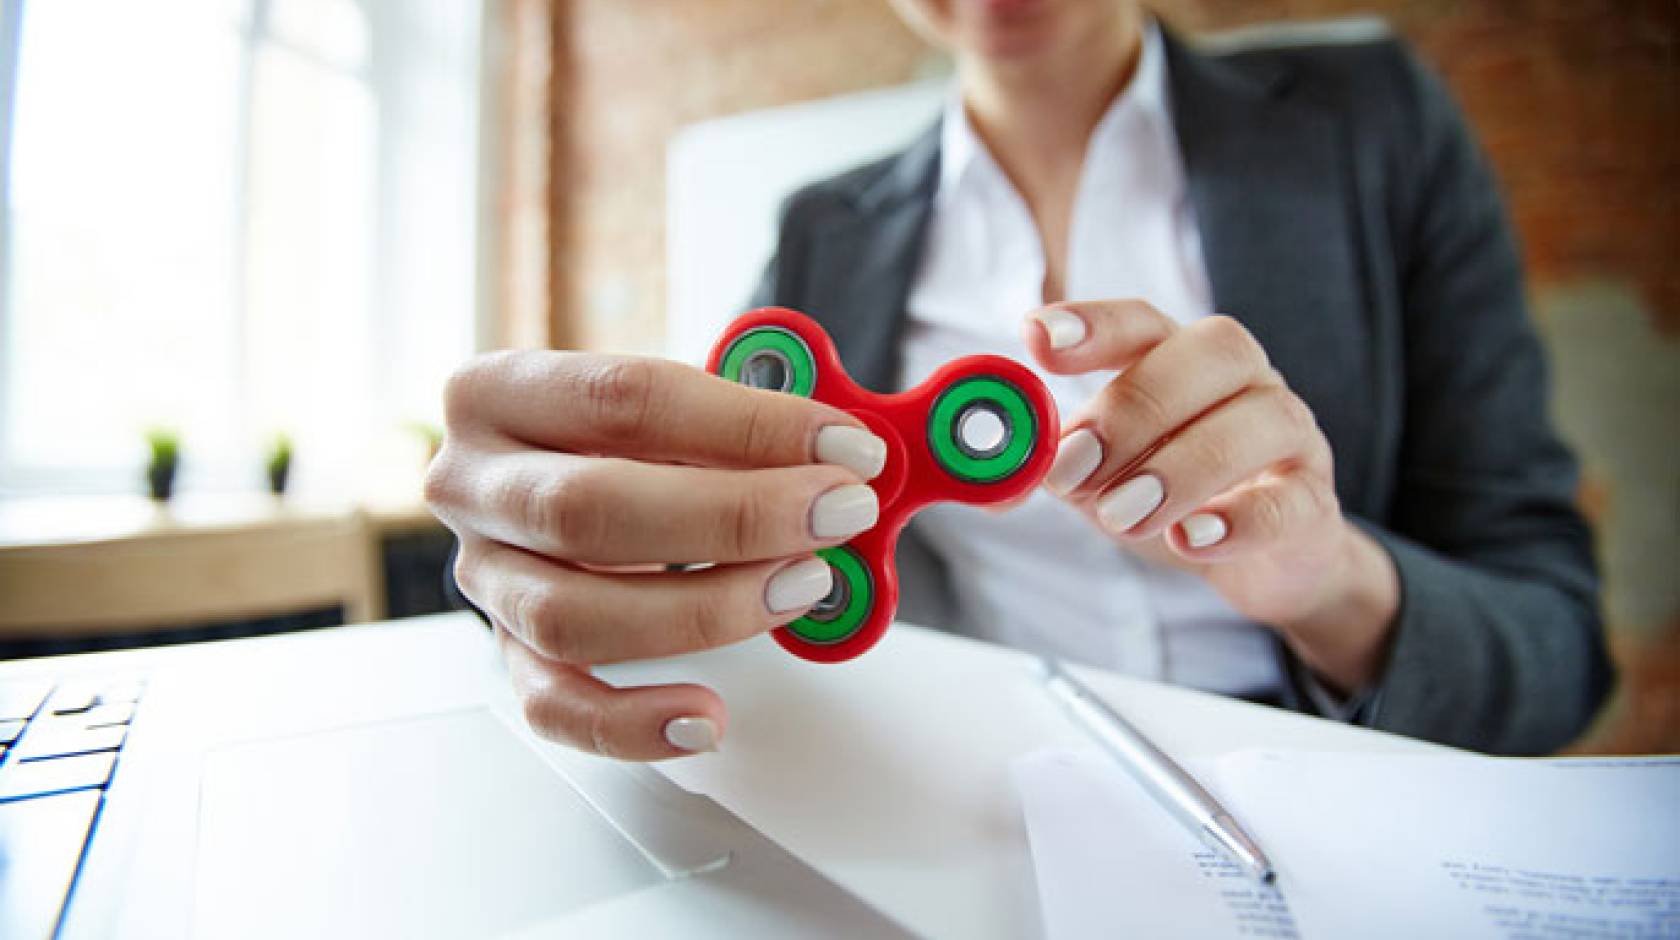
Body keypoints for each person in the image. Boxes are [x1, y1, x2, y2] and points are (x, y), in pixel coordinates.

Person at [424, 0, 1612, 761]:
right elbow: (706, 543)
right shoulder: (824, 234)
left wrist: (1327, 578)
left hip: (1334, 791)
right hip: (967, 789)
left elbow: (1561, 656)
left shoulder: (1370, 120)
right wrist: (569, 556)